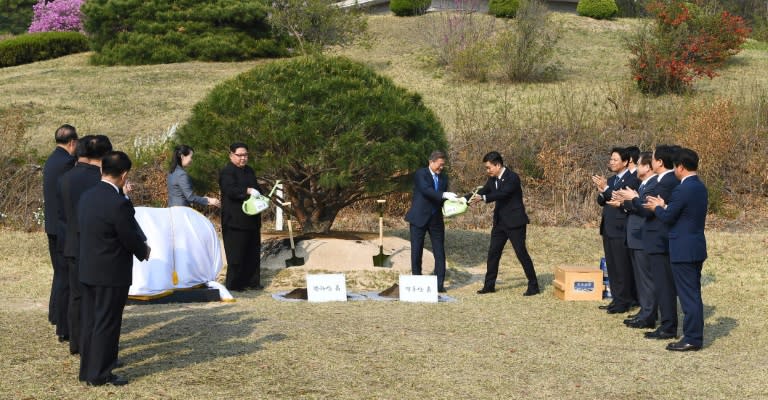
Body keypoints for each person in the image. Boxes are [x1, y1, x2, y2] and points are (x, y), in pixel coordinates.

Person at [78, 151, 150, 386]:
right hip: (111, 271)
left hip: (89, 267)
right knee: (107, 323)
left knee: (91, 321)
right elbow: (129, 235)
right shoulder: (119, 203)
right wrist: (144, 251)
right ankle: (100, 373)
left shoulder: (87, 196)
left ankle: (88, 370)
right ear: (125, 174)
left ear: (101, 169)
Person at [645, 148, 707, 352]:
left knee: (688, 296)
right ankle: (694, 335)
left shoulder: (682, 189)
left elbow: (668, 217)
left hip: (682, 248)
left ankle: (692, 338)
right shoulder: (700, 187)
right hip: (696, 246)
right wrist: (665, 206)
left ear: (680, 167)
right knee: (694, 294)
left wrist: (658, 208)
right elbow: (681, 213)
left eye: (676, 168)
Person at [59, 135, 112, 356]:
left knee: (77, 296)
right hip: (96, 246)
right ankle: (93, 346)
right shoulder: (101, 180)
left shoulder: (66, 177)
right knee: (97, 301)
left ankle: (77, 343)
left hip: (71, 242)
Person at [469, 151, 540, 296]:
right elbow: (482, 191)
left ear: (498, 165)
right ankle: (489, 286)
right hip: (500, 223)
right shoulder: (492, 179)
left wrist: (483, 198)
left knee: (521, 253)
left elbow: (502, 194)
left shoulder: (512, 177)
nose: (487, 170)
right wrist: (463, 199)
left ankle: (534, 286)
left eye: (489, 167)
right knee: (493, 253)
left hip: (515, 223)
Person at [611, 152, 657, 329]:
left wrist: (631, 200)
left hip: (643, 237)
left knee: (646, 279)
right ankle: (644, 311)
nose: (636, 168)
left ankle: (648, 313)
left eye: (639, 164)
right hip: (635, 236)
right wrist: (625, 202)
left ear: (647, 167)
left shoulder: (653, 185)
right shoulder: (644, 184)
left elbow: (645, 209)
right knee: (641, 278)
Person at [639, 145, 680, 340]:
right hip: (657, 239)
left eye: (653, 158)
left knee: (664, 286)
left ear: (660, 162)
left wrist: (632, 199)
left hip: (660, 240)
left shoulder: (667, 181)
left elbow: (649, 206)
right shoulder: (664, 180)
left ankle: (668, 327)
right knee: (662, 284)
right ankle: (667, 324)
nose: (651, 161)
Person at [591, 147, 639, 313]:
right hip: (608, 227)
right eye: (611, 159)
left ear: (625, 162)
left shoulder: (632, 180)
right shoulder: (611, 180)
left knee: (622, 266)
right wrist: (603, 190)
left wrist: (605, 189)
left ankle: (624, 300)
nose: (611, 162)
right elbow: (601, 200)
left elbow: (618, 198)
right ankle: (616, 299)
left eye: (615, 160)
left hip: (621, 228)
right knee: (611, 265)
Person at [42, 124, 78, 339]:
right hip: (62, 226)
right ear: (72, 142)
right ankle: (62, 321)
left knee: (59, 273)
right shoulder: (66, 163)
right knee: (64, 275)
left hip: (52, 225)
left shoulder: (51, 159)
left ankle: (55, 314)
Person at [404, 151, 455, 293]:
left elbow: (442, 198)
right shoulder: (421, 174)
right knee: (416, 250)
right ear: (431, 162)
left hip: (436, 219)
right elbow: (426, 190)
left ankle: (439, 285)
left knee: (439, 251)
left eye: (443, 165)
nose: (441, 168)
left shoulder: (444, 178)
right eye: (439, 165)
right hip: (419, 218)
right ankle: (417, 281)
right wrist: (444, 194)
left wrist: (456, 203)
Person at [219, 143, 264, 291]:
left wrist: (260, 194)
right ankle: (235, 284)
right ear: (231, 155)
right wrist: (247, 190)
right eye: (240, 155)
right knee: (237, 253)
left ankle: (252, 281)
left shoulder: (249, 170)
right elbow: (230, 190)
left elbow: (257, 187)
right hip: (235, 219)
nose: (243, 158)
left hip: (252, 218)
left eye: (246, 155)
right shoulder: (227, 172)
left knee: (252, 251)